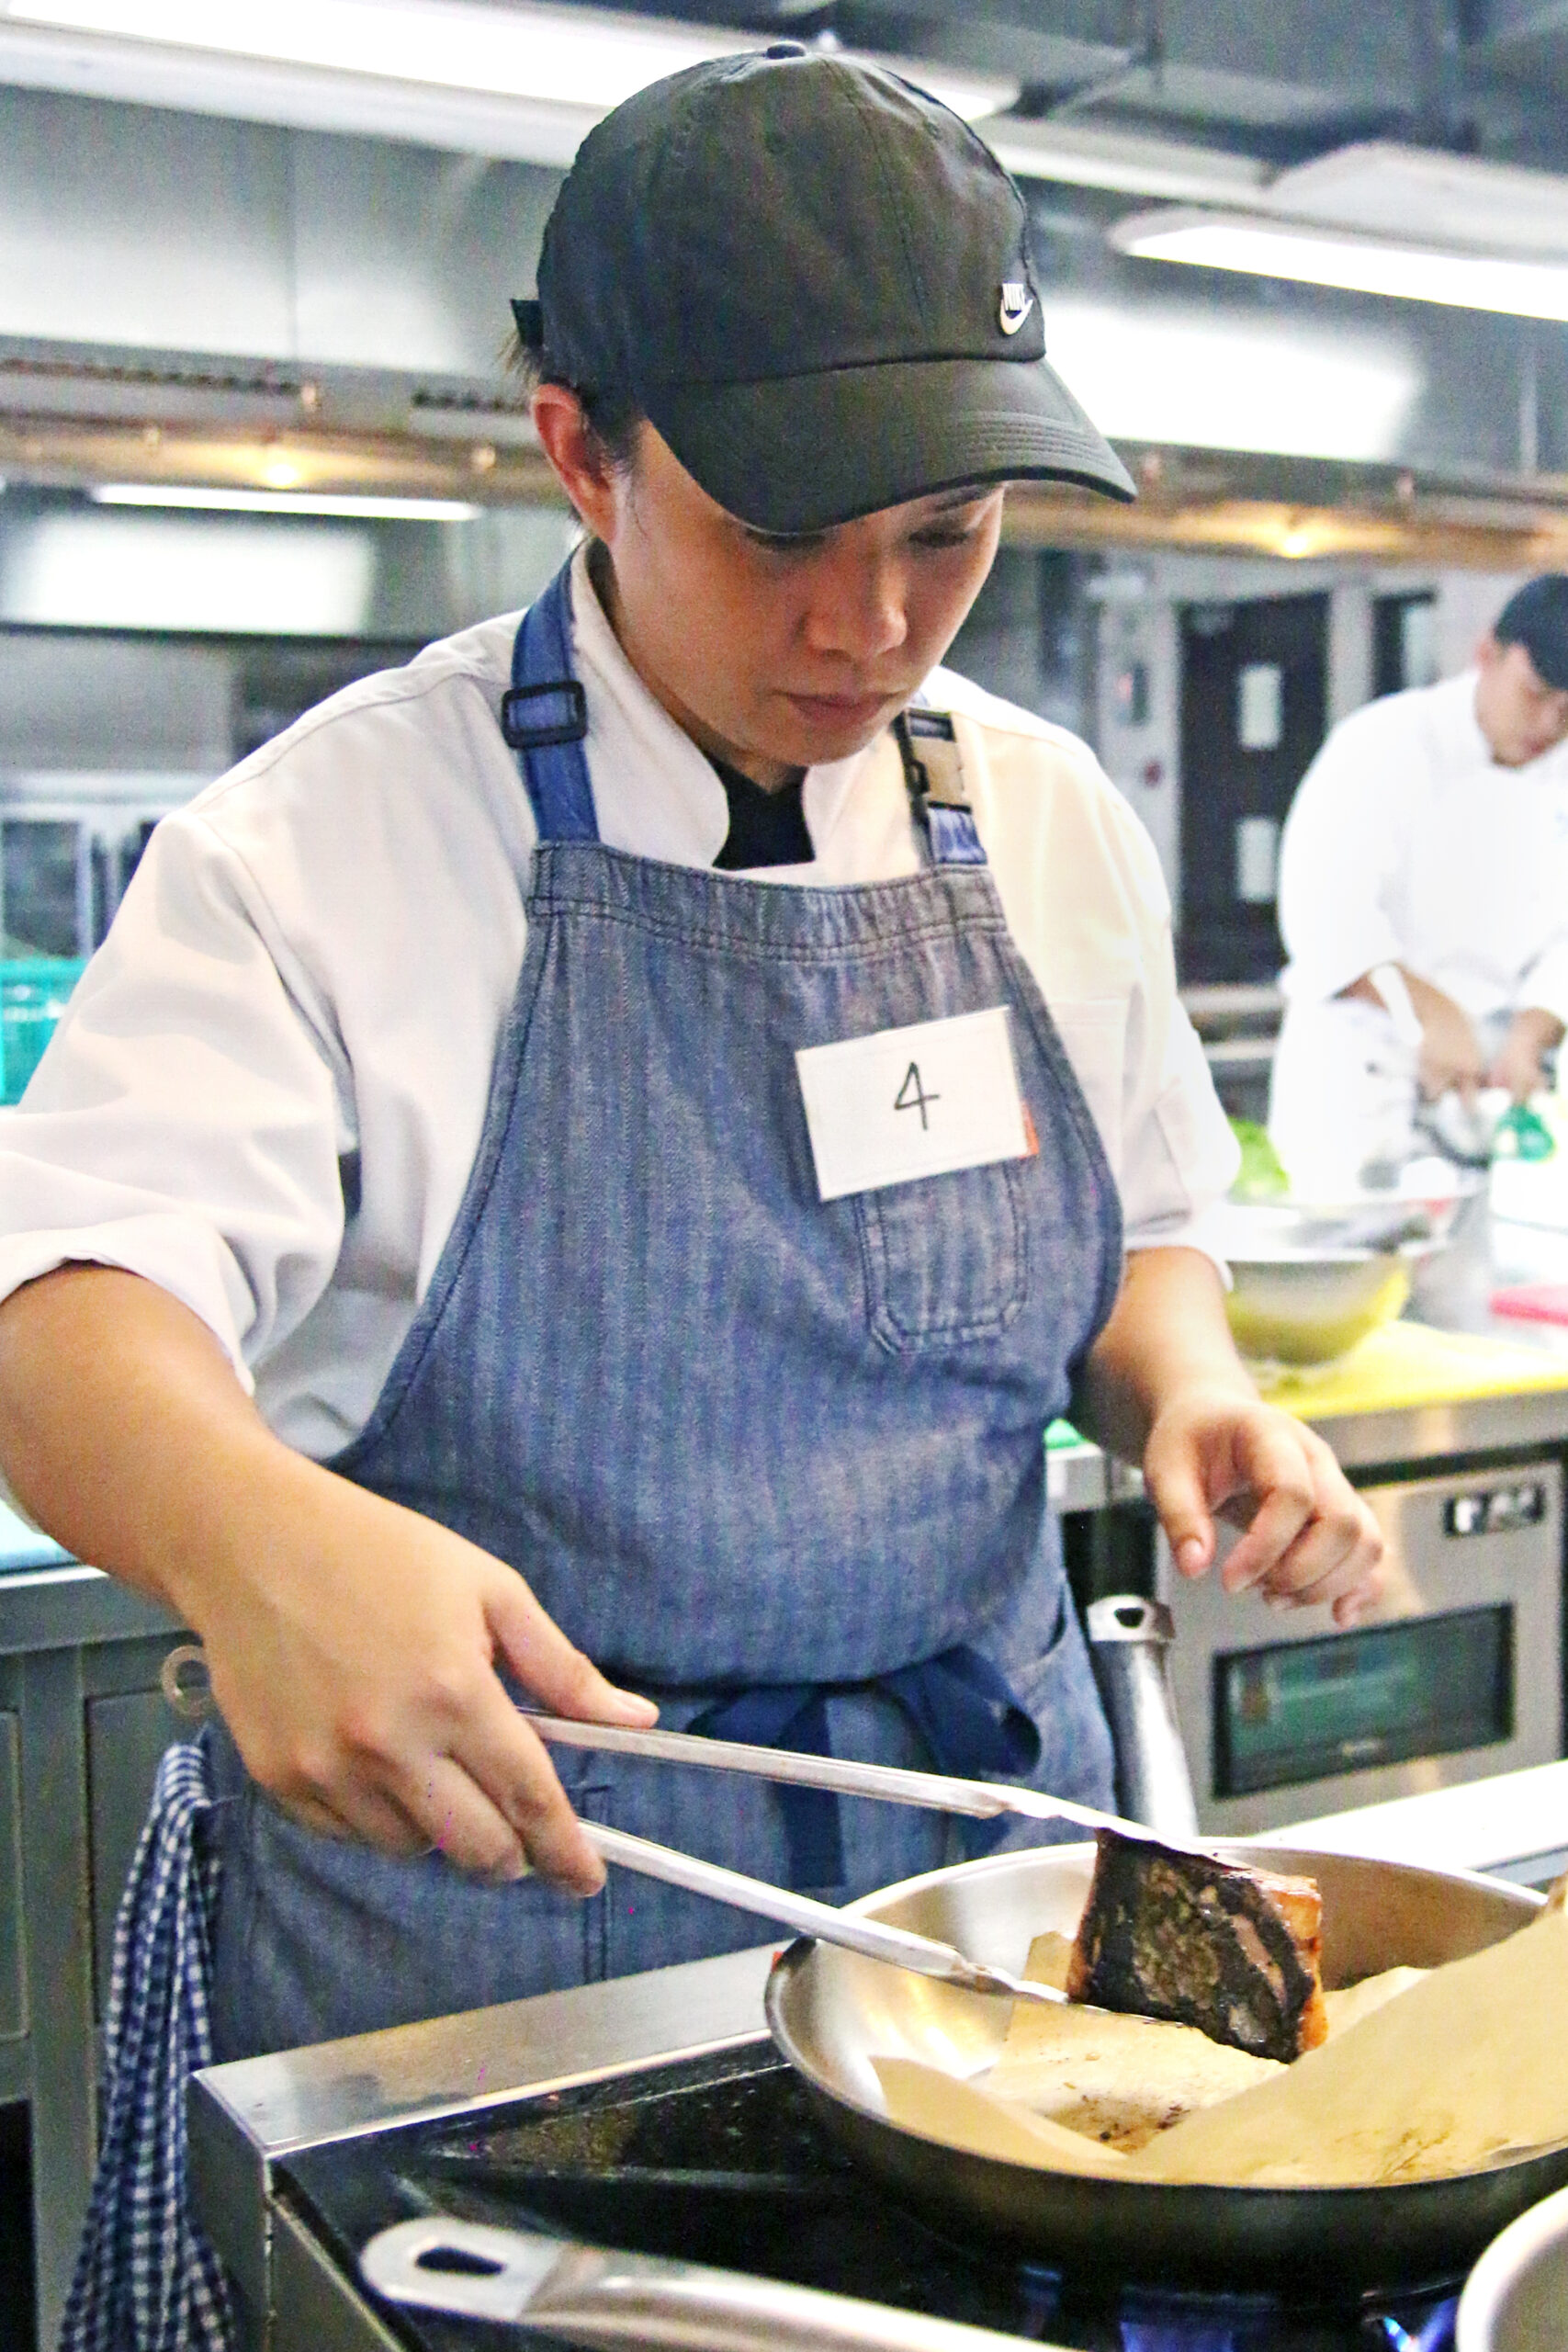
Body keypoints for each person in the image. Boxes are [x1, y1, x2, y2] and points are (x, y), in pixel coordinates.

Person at [0, 46, 1381, 2351]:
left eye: (943, 533)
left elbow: (1141, 1230)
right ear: (582, 452)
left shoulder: (1036, 813)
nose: (869, 622)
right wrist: (250, 1541)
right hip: (505, 1962)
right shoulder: (327, 842)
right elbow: (63, 1310)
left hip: (974, 1938)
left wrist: (1189, 1383)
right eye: (776, 533)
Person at [1270, 576, 1568, 1190]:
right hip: (1358, 1081)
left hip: (1488, 1089)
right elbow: (1325, 919)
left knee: (1487, 1249)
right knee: (1358, 1250)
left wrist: (1533, 1027)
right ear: (1486, 654)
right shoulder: (1381, 744)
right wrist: (1430, 1015)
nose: (1548, 724)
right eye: (1535, 695)